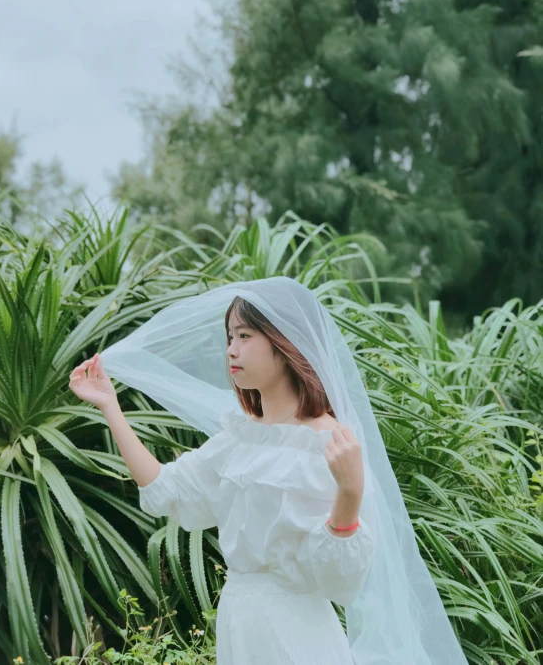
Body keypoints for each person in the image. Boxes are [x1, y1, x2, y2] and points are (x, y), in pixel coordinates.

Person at [69, 276, 468, 664]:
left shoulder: (332, 445)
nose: (231, 350)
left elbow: (340, 580)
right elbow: (166, 489)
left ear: (284, 343)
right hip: (239, 623)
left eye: (245, 336)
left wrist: (349, 494)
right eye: (229, 337)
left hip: (296, 632)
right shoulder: (240, 438)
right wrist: (110, 406)